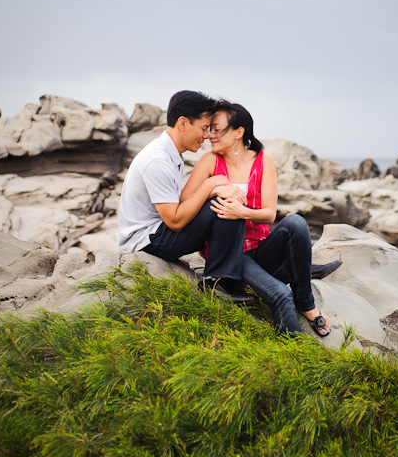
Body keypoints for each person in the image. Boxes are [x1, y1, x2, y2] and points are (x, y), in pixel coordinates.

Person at [181, 99, 338, 337]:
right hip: (230, 258)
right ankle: (298, 356)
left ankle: (307, 304)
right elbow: (186, 199)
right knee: (281, 294)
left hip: (261, 250)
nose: (210, 135)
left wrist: (241, 212)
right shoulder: (210, 161)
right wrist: (211, 187)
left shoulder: (263, 160)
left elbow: (269, 214)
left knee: (295, 222)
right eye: (210, 129)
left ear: (238, 132)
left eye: (217, 129)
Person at [119, 90, 252, 297]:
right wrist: (210, 186)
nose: (207, 135)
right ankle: (217, 284)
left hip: (157, 232)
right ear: (183, 123)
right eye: (204, 128)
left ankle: (223, 280)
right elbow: (175, 220)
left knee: (226, 206)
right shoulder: (157, 160)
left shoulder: (171, 153)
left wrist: (212, 189)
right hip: (147, 241)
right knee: (224, 203)